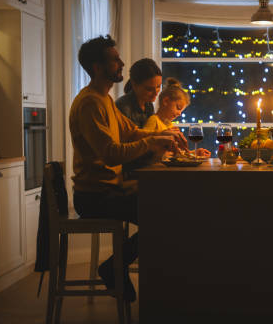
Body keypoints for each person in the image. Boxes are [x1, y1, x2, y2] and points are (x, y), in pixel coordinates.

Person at [69, 35, 186, 302]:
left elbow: (131, 132)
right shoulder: (90, 103)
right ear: (98, 67)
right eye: (115, 59)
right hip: (96, 195)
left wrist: (164, 135)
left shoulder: (104, 99)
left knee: (171, 209)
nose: (122, 63)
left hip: (112, 189)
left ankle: (163, 285)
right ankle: (113, 268)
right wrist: (153, 141)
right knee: (164, 218)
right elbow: (110, 154)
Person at [144, 77, 210, 157]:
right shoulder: (153, 121)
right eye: (178, 108)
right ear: (166, 101)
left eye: (181, 111)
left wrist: (193, 153)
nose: (179, 114)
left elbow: (177, 154)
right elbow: (145, 147)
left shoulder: (169, 125)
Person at [115, 58, 162, 128]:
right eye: (149, 89)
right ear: (134, 85)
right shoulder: (123, 107)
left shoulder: (148, 105)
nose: (155, 93)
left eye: (158, 86)